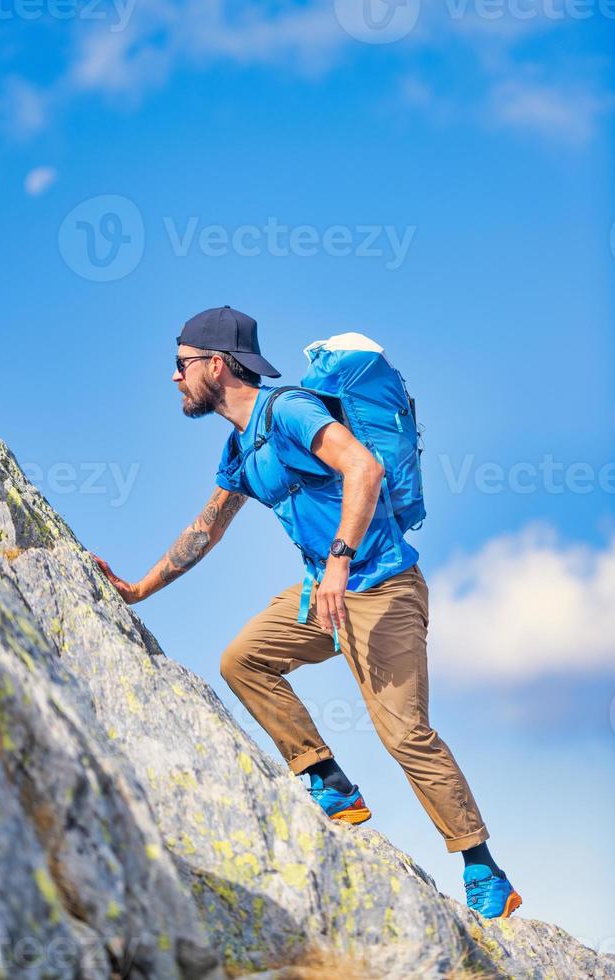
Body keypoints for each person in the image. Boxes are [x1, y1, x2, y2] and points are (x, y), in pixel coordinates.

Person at [92, 305, 522, 919]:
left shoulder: (290, 411)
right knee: (243, 660)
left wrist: (341, 560)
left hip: (381, 587)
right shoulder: (243, 445)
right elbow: (206, 528)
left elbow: (363, 468)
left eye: (180, 364)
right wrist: (138, 589)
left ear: (217, 365)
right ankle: (331, 782)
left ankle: (484, 869)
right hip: (323, 595)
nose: (174, 377)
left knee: (403, 733)